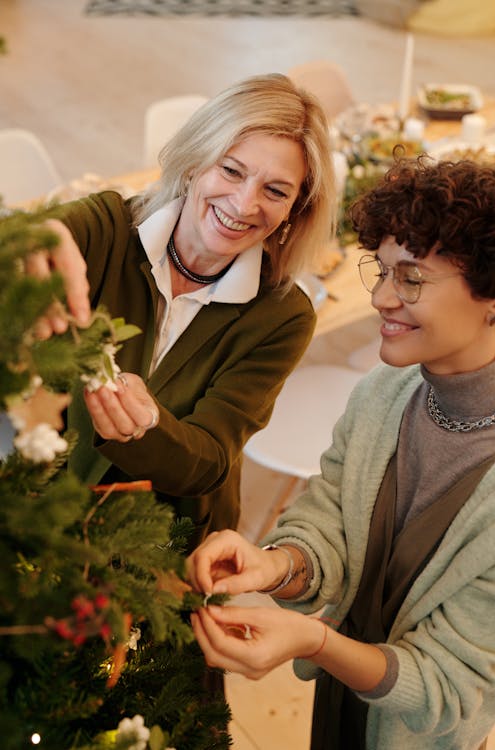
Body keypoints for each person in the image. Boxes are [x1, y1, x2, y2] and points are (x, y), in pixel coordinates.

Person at [187, 157, 495, 750]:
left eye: (411, 279)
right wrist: (277, 564)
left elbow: (447, 686)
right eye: (380, 272)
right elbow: (330, 514)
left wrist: (313, 641)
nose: (382, 298)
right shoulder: (387, 393)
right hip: (338, 715)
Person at [35, 73, 335, 549]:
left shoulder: (283, 315)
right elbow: (35, 237)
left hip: (166, 540)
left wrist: (150, 427)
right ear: (195, 162)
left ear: (295, 212)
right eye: (231, 170)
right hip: (38, 511)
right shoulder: (106, 228)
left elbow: (210, 459)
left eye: (275, 191)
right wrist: (34, 242)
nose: (243, 203)